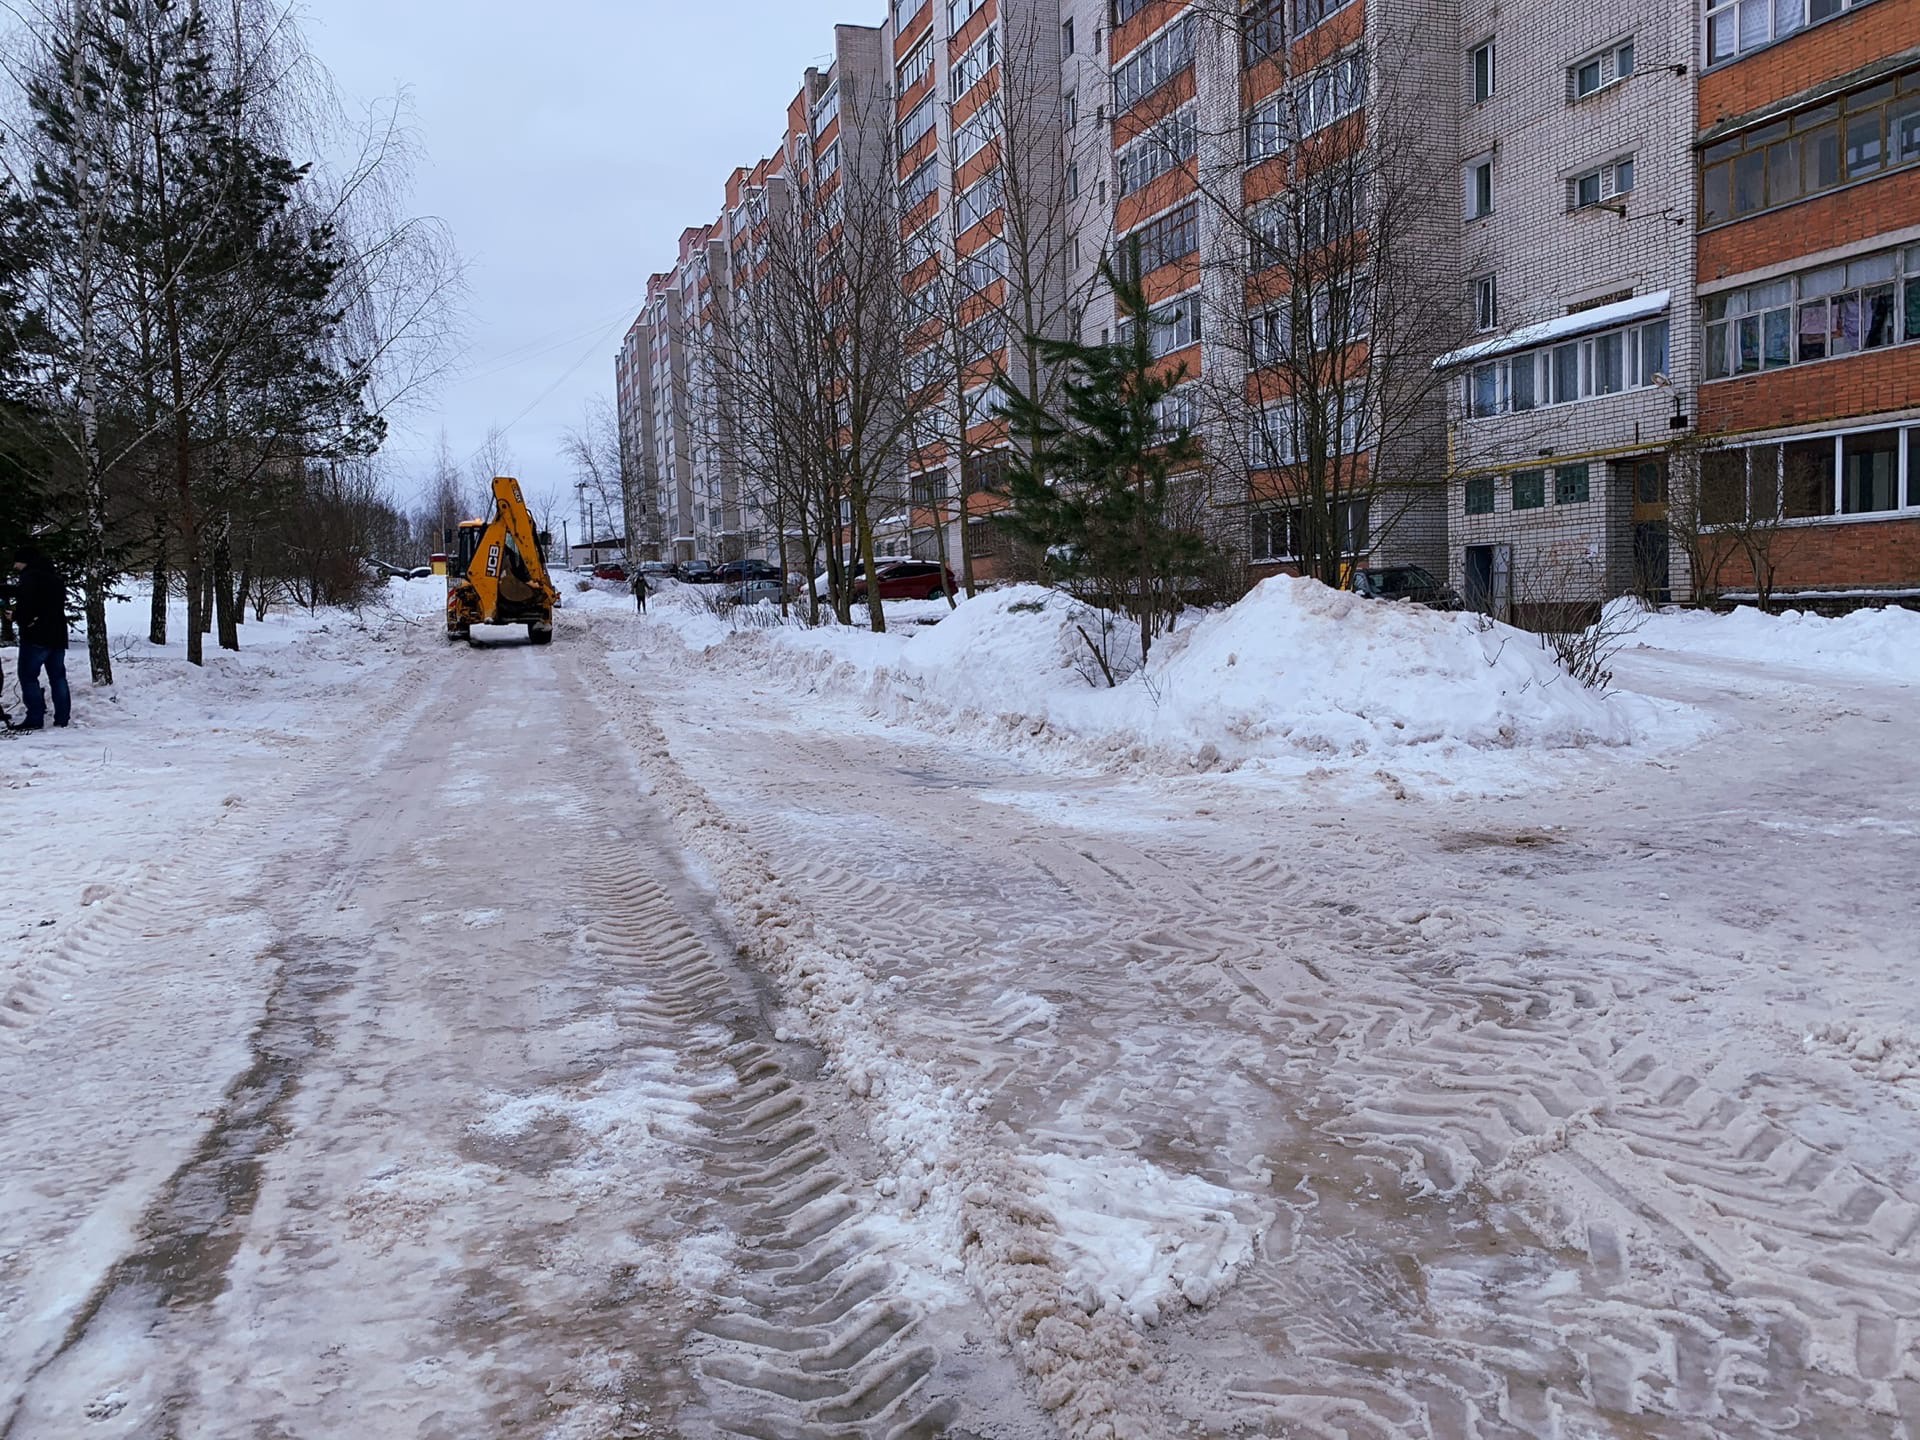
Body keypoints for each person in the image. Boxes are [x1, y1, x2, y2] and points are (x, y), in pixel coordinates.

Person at [9, 545, 71, 730]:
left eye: (17, 562)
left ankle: (35, 718)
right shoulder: (54, 577)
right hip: (58, 634)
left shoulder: (29, 578)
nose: (15, 566)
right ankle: (62, 718)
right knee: (58, 677)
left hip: (36, 635)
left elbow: (28, 604)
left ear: (24, 561)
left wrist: (16, 616)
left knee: (28, 677)